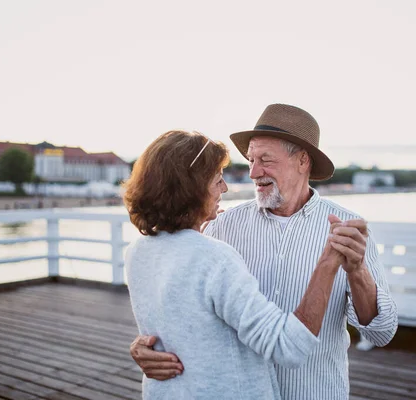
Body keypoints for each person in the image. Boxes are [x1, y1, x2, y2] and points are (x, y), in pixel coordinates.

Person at [130, 105, 399, 399]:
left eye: (266, 160)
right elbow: (186, 309)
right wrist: (147, 344)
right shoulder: (221, 227)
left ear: (302, 161)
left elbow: (381, 334)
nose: (254, 172)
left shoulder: (348, 230)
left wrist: (358, 271)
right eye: (251, 160)